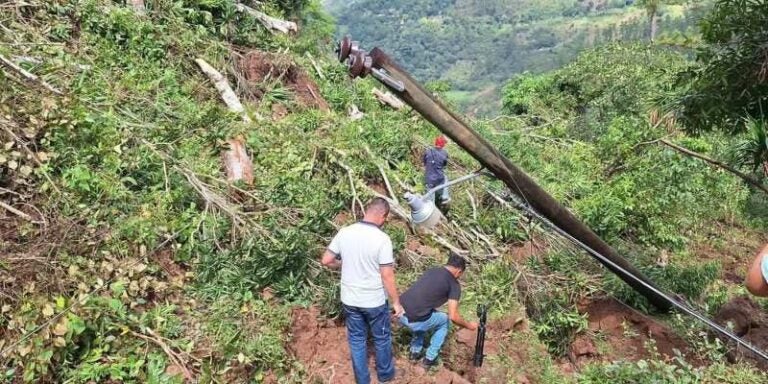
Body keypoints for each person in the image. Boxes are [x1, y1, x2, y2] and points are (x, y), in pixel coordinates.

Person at [321, 198, 404, 384]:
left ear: (366, 211)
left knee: (357, 340)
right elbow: (387, 275)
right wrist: (396, 302)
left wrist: (341, 264)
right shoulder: (382, 239)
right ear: (383, 216)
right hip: (373, 300)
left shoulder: (345, 232)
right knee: (381, 338)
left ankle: (362, 380)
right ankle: (385, 376)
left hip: (350, 299)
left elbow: (326, 260)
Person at [399, 252, 478, 368]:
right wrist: (469, 326)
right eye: (460, 274)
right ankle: (429, 359)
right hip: (415, 320)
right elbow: (453, 316)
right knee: (444, 321)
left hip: (399, 312)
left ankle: (414, 352)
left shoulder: (432, 271)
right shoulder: (454, 285)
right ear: (459, 271)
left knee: (426, 313)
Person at [423, 135, 451, 215]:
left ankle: (431, 210)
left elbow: (425, 163)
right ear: (443, 144)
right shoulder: (445, 153)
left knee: (430, 199)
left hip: (429, 179)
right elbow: (444, 165)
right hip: (440, 179)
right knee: (445, 178)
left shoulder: (428, 151)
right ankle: (444, 198)